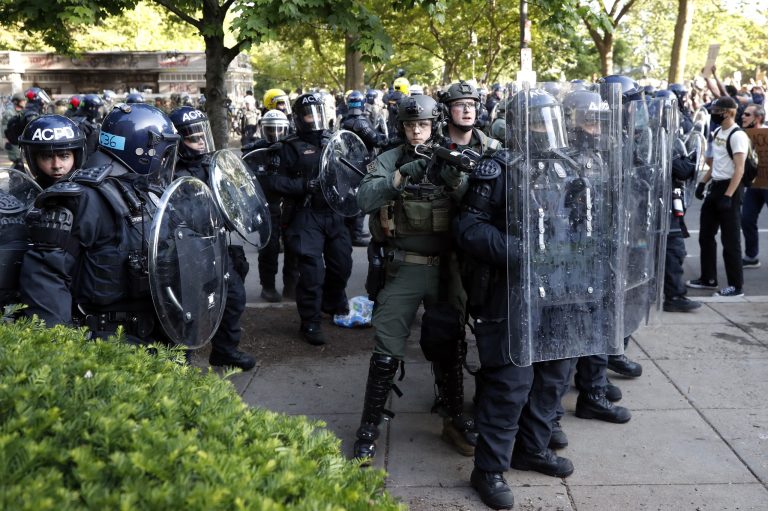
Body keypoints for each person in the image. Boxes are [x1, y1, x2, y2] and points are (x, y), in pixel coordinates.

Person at [351, 94, 476, 464]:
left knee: (450, 342)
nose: (416, 130)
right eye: (409, 125)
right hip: (405, 265)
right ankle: (369, 425)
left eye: (422, 124)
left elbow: (475, 199)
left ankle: (453, 416)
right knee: (387, 346)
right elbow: (365, 199)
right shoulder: (391, 159)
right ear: (401, 127)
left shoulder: (448, 156)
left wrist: (455, 177)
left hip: (446, 269)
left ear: (433, 124)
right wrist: (403, 174)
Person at [19, 104, 183, 344]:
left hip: (157, 334)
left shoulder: (144, 190)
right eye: (164, 151)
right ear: (144, 151)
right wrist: (59, 349)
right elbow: (46, 276)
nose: (166, 159)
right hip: (107, 343)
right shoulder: (84, 199)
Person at [169, 106, 256, 370]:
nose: (201, 142)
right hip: (187, 250)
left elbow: (236, 200)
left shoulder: (214, 165)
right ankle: (180, 359)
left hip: (218, 244)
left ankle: (225, 351)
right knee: (188, 307)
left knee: (233, 299)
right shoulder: (168, 171)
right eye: (193, 138)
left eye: (203, 135)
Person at [268, 92, 353, 345]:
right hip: (306, 215)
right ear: (298, 118)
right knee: (312, 273)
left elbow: (351, 169)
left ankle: (333, 300)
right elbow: (273, 182)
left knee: (342, 265)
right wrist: (304, 185)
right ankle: (310, 322)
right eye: (308, 114)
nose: (314, 119)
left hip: (334, 213)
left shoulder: (334, 141)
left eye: (317, 112)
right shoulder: (288, 147)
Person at [687, 96, 748, 297]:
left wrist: (728, 196)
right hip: (715, 187)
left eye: (718, 110)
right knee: (706, 236)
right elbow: (716, 164)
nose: (714, 113)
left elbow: (739, 169)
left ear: (729, 112)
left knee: (731, 242)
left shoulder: (737, 136)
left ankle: (736, 286)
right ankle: (708, 278)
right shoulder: (717, 132)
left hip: (730, 188)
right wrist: (702, 182)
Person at [242, 109, 297, 303]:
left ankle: (291, 285)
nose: (274, 134)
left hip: (291, 206)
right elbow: (246, 181)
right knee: (269, 249)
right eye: (270, 129)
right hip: (267, 207)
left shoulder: (293, 149)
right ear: (262, 129)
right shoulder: (254, 151)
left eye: (278, 129)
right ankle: (268, 287)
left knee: (294, 247)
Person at [438, 80, 501, 155]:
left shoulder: (492, 148)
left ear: (477, 110)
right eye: (459, 104)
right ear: (446, 110)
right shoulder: (433, 147)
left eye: (471, 104)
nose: (467, 110)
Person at [740, 103, 768, 268]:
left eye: (747, 114)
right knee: (747, 219)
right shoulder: (742, 135)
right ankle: (751, 256)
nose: (743, 116)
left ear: (758, 118)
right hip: (754, 185)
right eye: (743, 114)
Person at [70, 93, 104, 159]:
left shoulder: (81, 119)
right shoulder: (81, 125)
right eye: (98, 108)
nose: (99, 111)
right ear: (91, 108)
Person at [2, 92, 27, 170]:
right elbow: (5, 128)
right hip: (12, 141)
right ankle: (14, 179)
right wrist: (6, 141)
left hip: (19, 140)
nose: (25, 102)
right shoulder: (9, 112)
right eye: (23, 100)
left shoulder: (22, 112)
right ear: (17, 102)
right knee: (18, 162)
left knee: (22, 162)